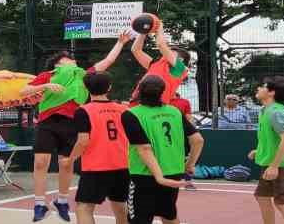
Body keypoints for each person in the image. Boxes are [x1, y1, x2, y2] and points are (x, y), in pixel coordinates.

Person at [20, 31, 132, 222]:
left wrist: (120, 43)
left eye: (73, 60)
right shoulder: (48, 76)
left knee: (67, 163)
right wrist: (44, 87)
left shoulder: (82, 75)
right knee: (40, 162)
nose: (72, 62)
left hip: (72, 123)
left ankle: (61, 200)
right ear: (57, 64)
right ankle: (40, 203)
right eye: (67, 60)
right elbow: (24, 91)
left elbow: (107, 61)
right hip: (49, 122)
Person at [122, 75, 204, 224]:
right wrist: (190, 164)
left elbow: (145, 149)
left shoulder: (131, 114)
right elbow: (198, 140)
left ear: (139, 91)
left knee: (139, 218)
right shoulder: (175, 112)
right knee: (169, 214)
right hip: (173, 171)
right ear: (162, 92)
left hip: (144, 174)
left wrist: (159, 177)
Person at [68, 71, 129, 224]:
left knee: (84, 208)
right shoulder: (123, 109)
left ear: (86, 88)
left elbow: (83, 141)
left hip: (96, 167)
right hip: (122, 164)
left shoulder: (84, 111)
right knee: (120, 206)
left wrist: (71, 159)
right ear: (109, 87)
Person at [248, 76, 284, 224]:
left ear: (271, 92)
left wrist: (274, 166)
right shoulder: (265, 111)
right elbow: (273, 139)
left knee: (282, 203)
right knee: (262, 197)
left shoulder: (276, 112)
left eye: (263, 86)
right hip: (274, 163)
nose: (259, 88)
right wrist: (259, 151)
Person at [131, 20, 191, 105]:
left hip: (156, 106)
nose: (168, 52)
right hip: (137, 103)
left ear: (181, 59)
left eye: (171, 52)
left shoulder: (180, 69)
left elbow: (161, 45)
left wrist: (159, 27)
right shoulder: (155, 64)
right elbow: (135, 50)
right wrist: (143, 32)